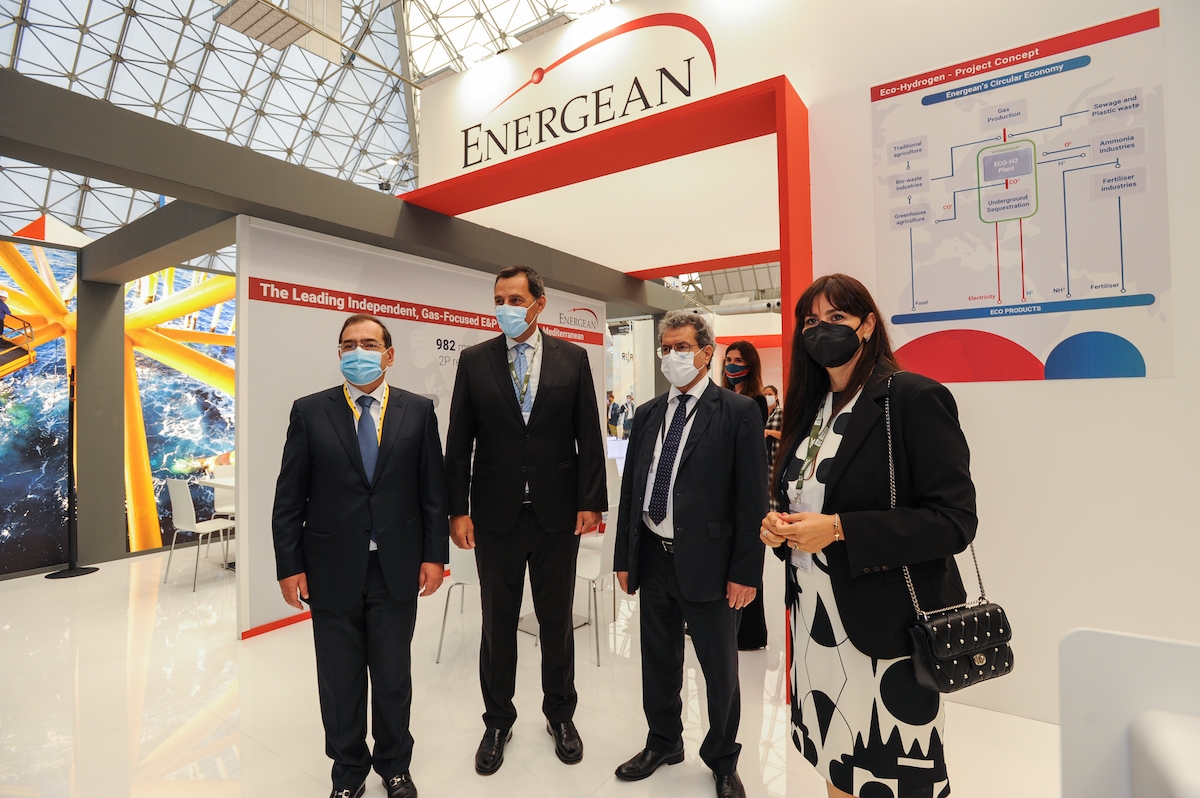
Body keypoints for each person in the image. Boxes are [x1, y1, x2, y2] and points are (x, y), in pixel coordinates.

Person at [759, 274, 978, 798]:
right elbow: (804, 499)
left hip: (884, 627)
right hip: (814, 621)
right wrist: (779, 527)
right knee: (837, 760)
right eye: (811, 321)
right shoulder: (812, 408)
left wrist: (839, 529)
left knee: (890, 771)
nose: (821, 330)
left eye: (836, 318)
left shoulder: (912, 398)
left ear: (868, 325)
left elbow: (955, 521)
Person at [272, 313, 449, 798]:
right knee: (339, 680)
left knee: (392, 677)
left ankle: (394, 765)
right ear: (338, 354)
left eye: (369, 344)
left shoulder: (418, 411)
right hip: (329, 568)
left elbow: (432, 491)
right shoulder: (310, 411)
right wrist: (289, 565)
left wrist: (435, 555)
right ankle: (348, 772)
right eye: (348, 344)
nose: (358, 352)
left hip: (396, 567)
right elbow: (289, 497)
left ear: (389, 355)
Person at [445, 264, 607, 775]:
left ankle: (561, 715)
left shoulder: (572, 358)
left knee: (556, 622)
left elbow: (588, 434)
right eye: (499, 299)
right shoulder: (475, 360)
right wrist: (457, 509)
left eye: (515, 299)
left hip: (557, 515)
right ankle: (497, 721)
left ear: (539, 303)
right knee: (497, 623)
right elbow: (459, 441)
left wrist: (591, 500)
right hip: (495, 517)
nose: (505, 308)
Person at [612, 310, 767, 798]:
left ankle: (722, 759)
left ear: (706, 352)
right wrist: (624, 557)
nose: (671, 356)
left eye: (681, 347)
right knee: (658, 660)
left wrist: (746, 572)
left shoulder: (738, 412)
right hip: (653, 556)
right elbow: (632, 490)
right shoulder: (647, 413)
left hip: (712, 564)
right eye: (666, 348)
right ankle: (663, 742)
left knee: (719, 671)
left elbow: (752, 501)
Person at [720, 340, 770, 652]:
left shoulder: (756, 401)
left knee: (747, 559)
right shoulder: (722, 397)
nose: (732, 364)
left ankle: (750, 633)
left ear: (750, 364)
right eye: (729, 359)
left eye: (738, 360)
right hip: (723, 485)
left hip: (745, 483)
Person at [763, 386, 783, 512]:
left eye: (769, 394)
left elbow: (787, 435)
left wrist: (769, 432)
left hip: (776, 457)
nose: (767, 397)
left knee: (775, 489)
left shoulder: (781, 413)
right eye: (764, 394)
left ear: (776, 396)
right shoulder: (761, 413)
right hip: (764, 457)